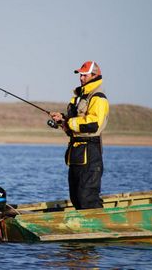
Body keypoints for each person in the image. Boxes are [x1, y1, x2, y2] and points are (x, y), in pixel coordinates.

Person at [50, 61, 109, 210]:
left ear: (94, 75)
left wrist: (68, 122)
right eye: (80, 75)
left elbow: (93, 124)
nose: (81, 78)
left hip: (90, 153)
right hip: (75, 154)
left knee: (87, 198)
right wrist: (62, 119)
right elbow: (73, 124)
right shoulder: (78, 98)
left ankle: (97, 229)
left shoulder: (98, 98)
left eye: (84, 75)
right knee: (76, 197)